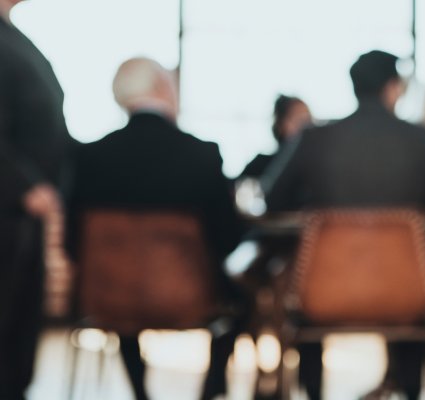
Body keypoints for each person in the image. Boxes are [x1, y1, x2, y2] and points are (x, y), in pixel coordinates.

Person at [263, 50, 425, 400]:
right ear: (393, 89)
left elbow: (272, 197)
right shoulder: (420, 139)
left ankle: (314, 391)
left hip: (320, 293)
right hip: (406, 293)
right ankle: (409, 390)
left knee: (296, 269)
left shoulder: (314, 138)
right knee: (417, 267)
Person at [65, 58, 245, 400]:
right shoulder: (202, 155)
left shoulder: (89, 157)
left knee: (124, 294)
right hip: (191, 299)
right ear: (164, 88)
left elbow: (73, 244)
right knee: (245, 304)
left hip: (108, 301)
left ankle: (140, 393)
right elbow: (228, 240)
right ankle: (209, 393)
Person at [0, 1, 73, 398]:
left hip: (23, 217)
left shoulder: (14, 38)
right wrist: (23, 185)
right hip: (10, 208)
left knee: (17, 343)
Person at [239, 95, 313, 179]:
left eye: (309, 119)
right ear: (280, 124)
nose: (307, 126)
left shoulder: (315, 165)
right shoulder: (260, 164)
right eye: (300, 120)